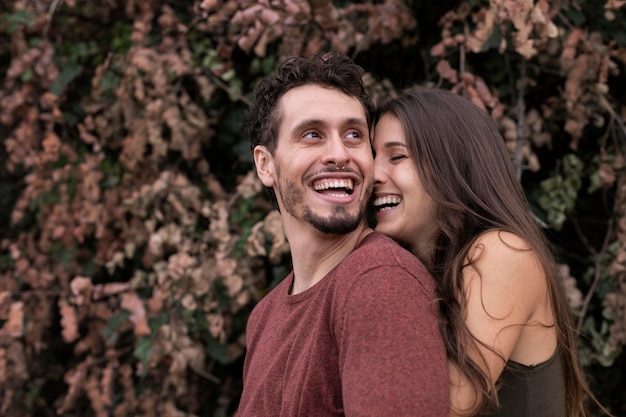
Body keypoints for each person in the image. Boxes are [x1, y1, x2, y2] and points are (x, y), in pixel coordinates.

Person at [371, 86, 607, 417]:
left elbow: (447, 404)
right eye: (372, 158)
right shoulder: (419, 273)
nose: (373, 175)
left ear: (451, 164)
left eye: (396, 157)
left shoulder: (501, 251)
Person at [237, 53, 449, 416]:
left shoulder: (378, 281)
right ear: (265, 164)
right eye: (312, 134)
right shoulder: (263, 316)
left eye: (353, 135)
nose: (339, 154)